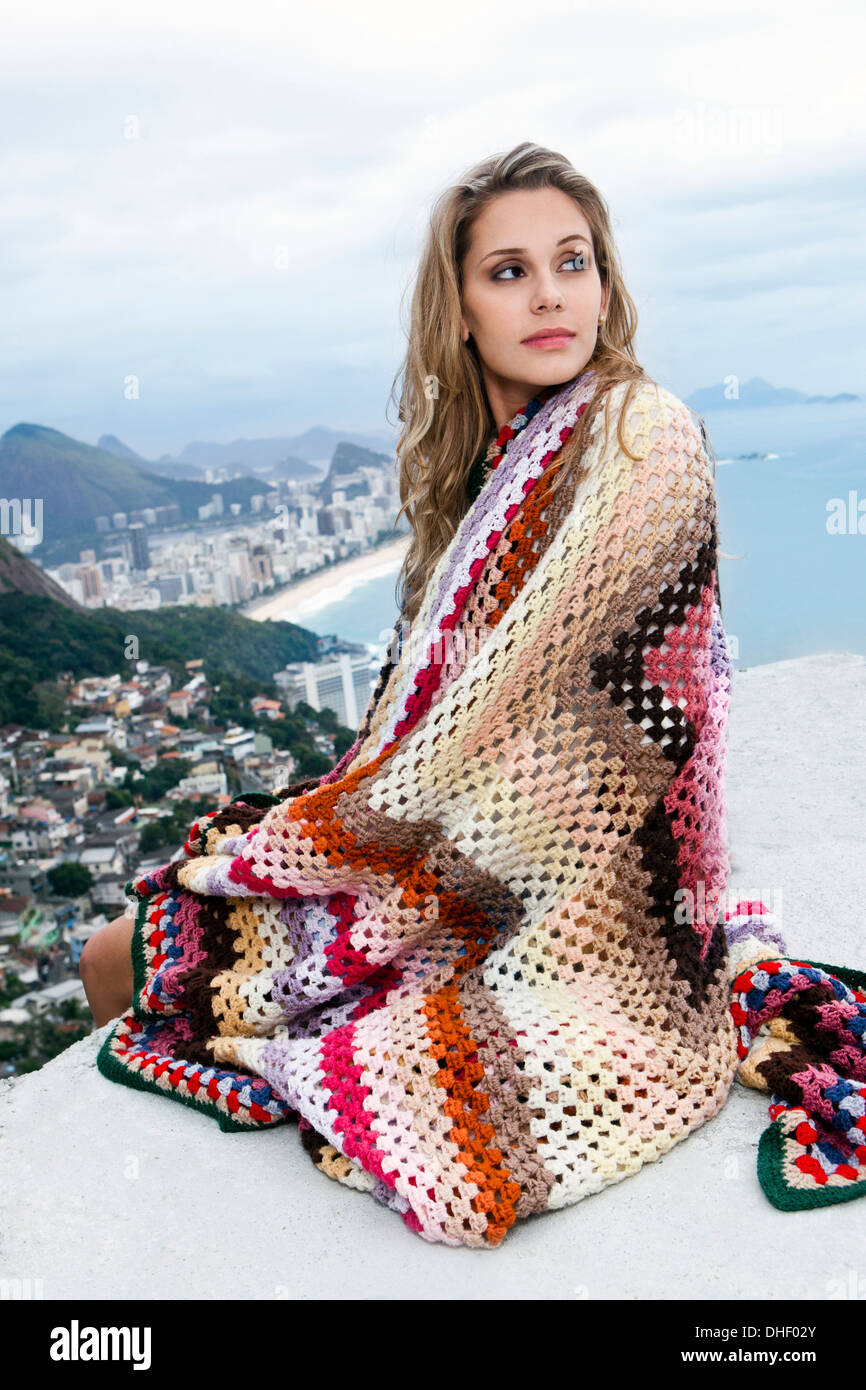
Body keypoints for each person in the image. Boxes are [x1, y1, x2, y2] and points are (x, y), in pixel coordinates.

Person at [84, 141, 866, 1244]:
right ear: (456, 307)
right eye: (507, 271)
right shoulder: (497, 473)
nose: (549, 294)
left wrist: (328, 847)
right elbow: (445, 726)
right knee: (147, 945)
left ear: (604, 283)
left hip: (588, 907)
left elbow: (514, 733)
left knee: (131, 956)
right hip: (477, 858)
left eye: (572, 262)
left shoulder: (644, 436)